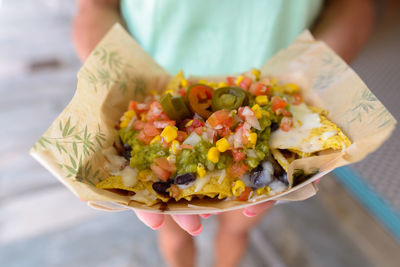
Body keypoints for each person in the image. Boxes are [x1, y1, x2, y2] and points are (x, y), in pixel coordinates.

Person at [73, 1, 374, 266]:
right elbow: (96, 7)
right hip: (153, 109)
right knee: (175, 238)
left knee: (236, 229)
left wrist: (310, 79)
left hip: (272, 119)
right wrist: (118, 86)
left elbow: (353, 6)